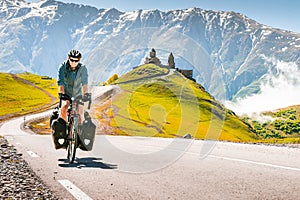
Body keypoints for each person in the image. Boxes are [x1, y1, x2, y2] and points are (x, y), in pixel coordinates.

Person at [51, 49, 90, 149]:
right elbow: (61, 83)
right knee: (64, 107)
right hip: (66, 93)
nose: (74, 62)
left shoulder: (83, 69)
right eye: (72, 60)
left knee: (80, 111)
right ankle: (63, 134)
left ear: (79, 60)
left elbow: (84, 84)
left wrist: (86, 94)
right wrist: (62, 94)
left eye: (76, 60)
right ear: (68, 58)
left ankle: (79, 135)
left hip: (77, 94)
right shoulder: (63, 67)